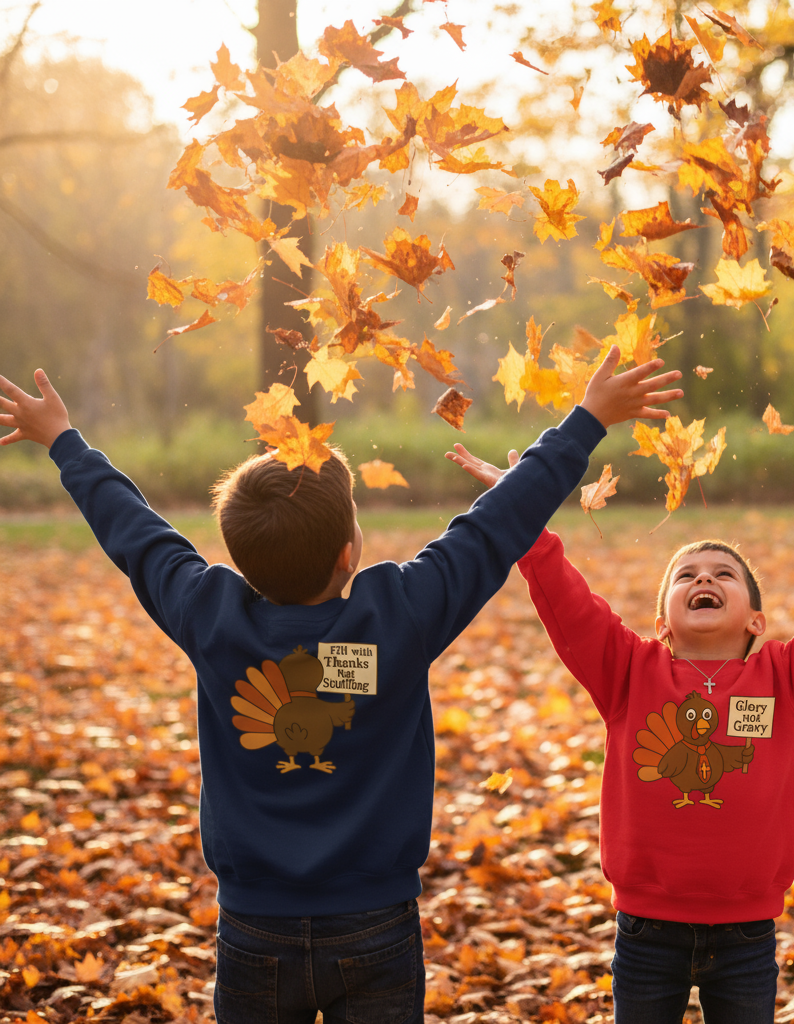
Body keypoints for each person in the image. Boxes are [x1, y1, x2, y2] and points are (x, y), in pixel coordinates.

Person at [0, 350, 684, 1024]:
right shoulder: (399, 615)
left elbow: (139, 537)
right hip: (375, 924)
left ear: (240, 556)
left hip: (252, 928)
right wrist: (587, 420)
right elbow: (494, 527)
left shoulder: (212, 617)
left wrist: (65, 442)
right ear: (348, 553)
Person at [446, 443, 794, 1024]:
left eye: (722, 574)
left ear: (756, 620)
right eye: (686, 576)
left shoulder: (787, 677)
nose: (703, 577)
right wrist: (521, 511)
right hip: (646, 932)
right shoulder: (628, 671)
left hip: (746, 936)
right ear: (662, 624)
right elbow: (568, 601)